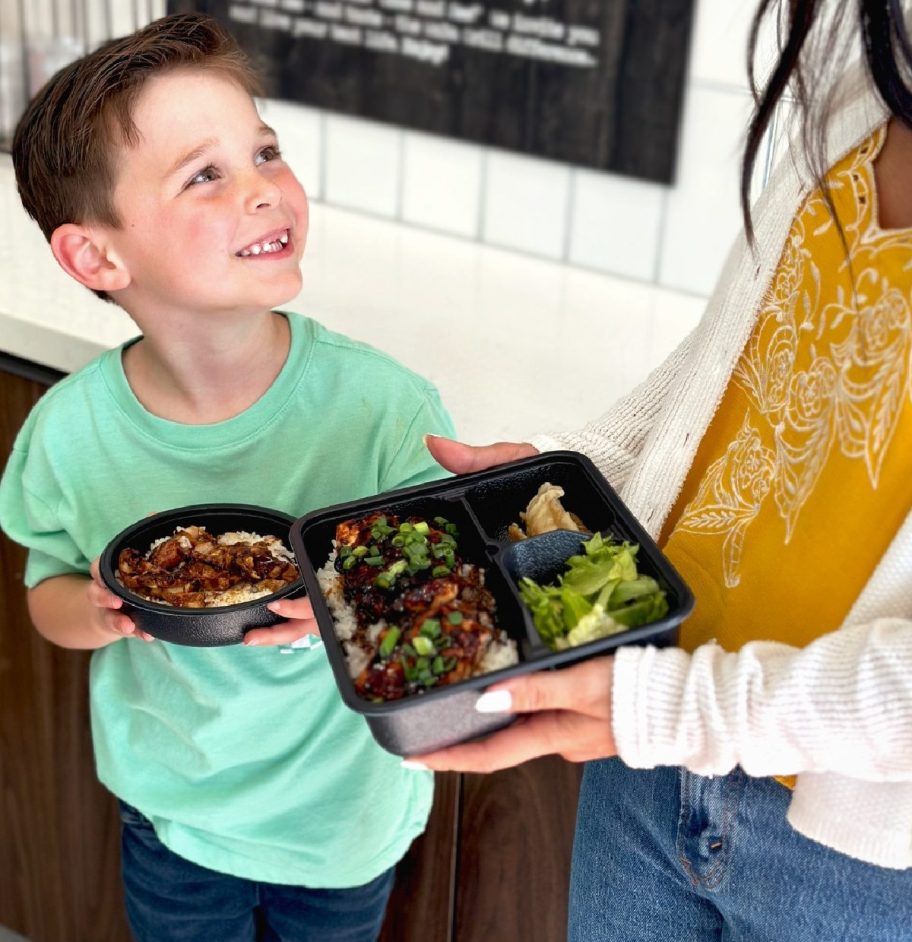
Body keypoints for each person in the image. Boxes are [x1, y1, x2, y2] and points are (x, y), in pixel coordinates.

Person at [407, 2, 912, 939]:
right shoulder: (870, 74)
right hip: (648, 747)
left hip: (862, 858)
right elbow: (737, 375)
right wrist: (567, 489)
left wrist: (675, 707)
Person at [0, 13, 454, 942]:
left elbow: (445, 603)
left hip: (340, 826)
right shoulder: (70, 434)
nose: (265, 191)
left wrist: (350, 614)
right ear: (95, 255)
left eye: (267, 152)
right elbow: (45, 588)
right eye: (206, 174)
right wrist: (94, 612)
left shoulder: (382, 407)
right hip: (173, 820)